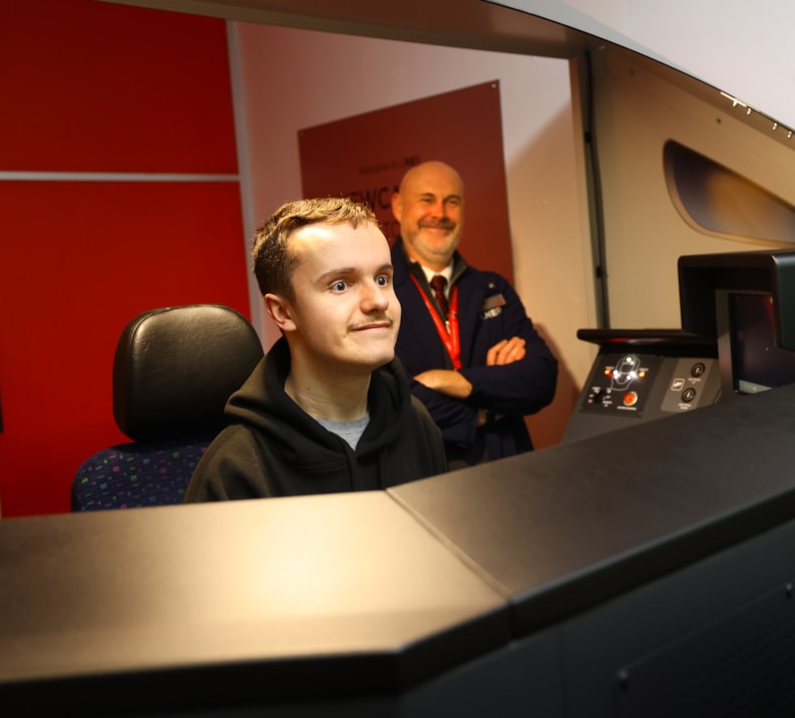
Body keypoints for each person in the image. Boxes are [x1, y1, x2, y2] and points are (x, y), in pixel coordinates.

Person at [184, 197, 447, 502]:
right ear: (283, 312)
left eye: (382, 279)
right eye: (340, 285)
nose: (378, 300)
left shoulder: (416, 425)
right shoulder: (235, 468)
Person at [390, 160, 557, 467]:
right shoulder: (377, 293)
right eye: (426, 200)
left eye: (451, 202)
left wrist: (456, 381)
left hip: (507, 469)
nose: (440, 214)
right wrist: (489, 410)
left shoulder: (492, 288)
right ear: (398, 207)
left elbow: (542, 377)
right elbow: (396, 403)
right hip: (423, 477)